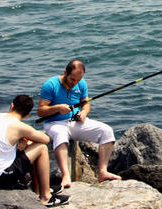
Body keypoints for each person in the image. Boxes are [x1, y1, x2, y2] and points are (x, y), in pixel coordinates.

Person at [0, 94, 69, 207]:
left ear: (12, 105)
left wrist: (23, 137)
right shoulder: (20, 127)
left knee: (31, 148)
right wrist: (25, 136)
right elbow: (45, 139)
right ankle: (46, 197)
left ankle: (39, 191)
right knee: (41, 148)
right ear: (27, 115)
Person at [38, 59, 121, 187]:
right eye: (72, 79)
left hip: (75, 122)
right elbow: (41, 111)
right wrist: (58, 108)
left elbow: (86, 104)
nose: (74, 83)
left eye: (77, 80)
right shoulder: (50, 84)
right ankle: (66, 175)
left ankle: (102, 172)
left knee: (107, 131)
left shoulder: (81, 83)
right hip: (55, 123)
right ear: (65, 72)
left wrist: (83, 113)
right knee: (60, 135)